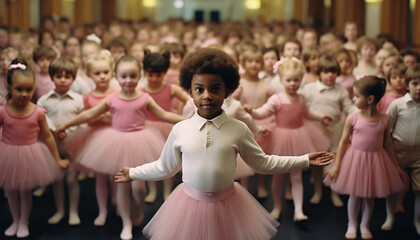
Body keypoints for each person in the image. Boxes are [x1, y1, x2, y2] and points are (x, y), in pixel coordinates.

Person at [114, 47, 334, 240]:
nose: (207, 95)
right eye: (199, 89)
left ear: (227, 91)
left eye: (215, 89)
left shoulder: (238, 129)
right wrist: (133, 172)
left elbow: (263, 163)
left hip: (228, 205)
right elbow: (165, 167)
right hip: (188, 207)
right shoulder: (180, 129)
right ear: (189, 91)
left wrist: (304, 159)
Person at [55, 55, 185, 240]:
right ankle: (126, 222)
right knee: (123, 187)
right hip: (115, 142)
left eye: (133, 76)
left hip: (140, 142)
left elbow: (164, 114)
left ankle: (138, 207)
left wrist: (190, 120)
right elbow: (89, 114)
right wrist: (65, 125)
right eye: (124, 76)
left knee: (139, 189)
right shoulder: (112, 99)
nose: (128, 81)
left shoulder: (144, 98)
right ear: (117, 77)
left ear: (139, 76)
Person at [245, 58, 331, 221]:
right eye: (288, 80)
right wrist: (253, 112)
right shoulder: (277, 99)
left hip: (300, 137)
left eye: (296, 80)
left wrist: (321, 118)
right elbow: (264, 112)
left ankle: (298, 211)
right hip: (280, 139)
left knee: (296, 176)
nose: (292, 84)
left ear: (301, 80)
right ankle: (277, 206)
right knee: (278, 176)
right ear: (281, 80)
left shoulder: (301, 98)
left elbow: (307, 114)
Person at [326, 75, 405, 240]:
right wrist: (337, 165)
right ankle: (352, 224)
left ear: (370, 99)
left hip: (376, 161)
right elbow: (343, 142)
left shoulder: (384, 119)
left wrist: (395, 166)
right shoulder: (352, 118)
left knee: (369, 197)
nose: (352, 98)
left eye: (356, 96)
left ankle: (365, 224)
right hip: (355, 160)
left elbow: (388, 144)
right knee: (355, 195)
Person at [0, 58, 69, 238]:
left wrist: (57, 159)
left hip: (29, 154)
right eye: (19, 89)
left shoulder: (38, 112)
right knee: (10, 190)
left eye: (29, 89)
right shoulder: (3, 111)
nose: (24, 94)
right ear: (9, 88)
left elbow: (47, 136)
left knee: (24, 190)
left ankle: (24, 221)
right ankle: (15, 221)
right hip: (7, 153)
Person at [68, 50, 119, 226]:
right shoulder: (87, 97)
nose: (102, 77)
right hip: (95, 141)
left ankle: (117, 200)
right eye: (97, 73)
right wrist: (95, 119)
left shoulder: (117, 92)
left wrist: (112, 118)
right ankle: (102, 210)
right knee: (100, 177)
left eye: (105, 72)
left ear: (112, 73)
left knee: (116, 175)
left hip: (115, 139)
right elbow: (86, 119)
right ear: (89, 75)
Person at [302, 55, 358, 207]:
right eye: (326, 72)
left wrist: (361, 112)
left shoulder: (340, 90)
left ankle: (335, 192)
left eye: (334, 72)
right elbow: (303, 108)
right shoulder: (309, 89)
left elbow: (349, 107)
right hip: (316, 130)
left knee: (334, 161)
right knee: (317, 162)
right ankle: (318, 192)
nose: (330, 75)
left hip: (335, 130)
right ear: (319, 72)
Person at [37, 58, 84, 226]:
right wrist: (53, 129)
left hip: (73, 145)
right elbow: (41, 118)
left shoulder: (78, 100)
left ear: (73, 78)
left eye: (67, 77)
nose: (63, 80)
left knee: (72, 180)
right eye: (58, 76)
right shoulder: (44, 100)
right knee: (57, 181)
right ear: (51, 77)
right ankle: (60, 210)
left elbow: (82, 121)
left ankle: (73, 211)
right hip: (53, 146)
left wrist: (67, 130)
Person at [140, 50, 190, 203]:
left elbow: (190, 100)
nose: (154, 79)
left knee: (169, 160)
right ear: (145, 72)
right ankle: (153, 190)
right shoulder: (141, 91)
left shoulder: (171, 88)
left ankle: (168, 191)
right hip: (147, 129)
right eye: (151, 75)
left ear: (165, 72)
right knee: (150, 160)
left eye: (159, 75)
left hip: (167, 127)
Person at [232, 49, 275, 197]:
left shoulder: (266, 85)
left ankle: (261, 185)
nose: (254, 65)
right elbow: (232, 100)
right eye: (250, 61)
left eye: (257, 61)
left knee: (261, 156)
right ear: (243, 64)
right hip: (243, 122)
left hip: (262, 121)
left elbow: (275, 101)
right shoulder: (240, 84)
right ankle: (244, 187)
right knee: (242, 157)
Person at [383, 64, 420, 235]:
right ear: (407, 84)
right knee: (394, 186)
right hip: (398, 150)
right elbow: (387, 129)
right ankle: (390, 217)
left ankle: (417, 220)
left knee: (419, 189)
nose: (419, 88)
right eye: (414, 83)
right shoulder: (398, 105)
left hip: (418, 153)